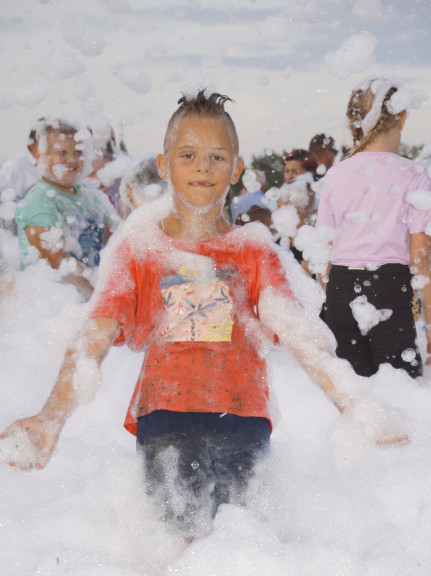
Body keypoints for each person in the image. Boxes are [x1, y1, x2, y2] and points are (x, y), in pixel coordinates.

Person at [0, 91, 405, 539]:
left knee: (244, 545)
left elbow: (296, 330)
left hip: (245, 418)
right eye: (188, 155)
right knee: (181, 545)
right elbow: (95, 333)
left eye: (216, 156)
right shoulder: (139, 250)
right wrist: (50, 416)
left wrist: (355, 404)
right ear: (163, 164)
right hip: (166, 417)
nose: (202, 167)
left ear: (235, 168)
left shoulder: (253, 249)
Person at [317, 77, 431, 378]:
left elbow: (323, 257)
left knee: (352, 392)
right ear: (401, 116)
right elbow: (421, 257)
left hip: (340, 286)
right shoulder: (415, 175)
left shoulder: (336, 175)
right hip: (390, 285)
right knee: (399, 393)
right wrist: (430, 326)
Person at [15, 117, 119, 299]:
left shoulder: (90, 195)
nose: (71, 160)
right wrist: (100, 294)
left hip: (88, 289)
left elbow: (115, 240)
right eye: (62, 152)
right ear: (41, 156)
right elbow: (56, 259)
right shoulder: (39, 200)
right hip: (52, 299)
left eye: (78, 152)